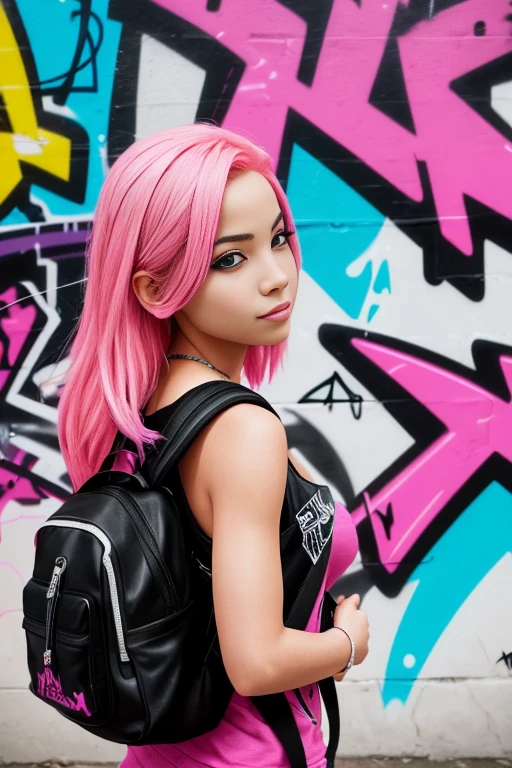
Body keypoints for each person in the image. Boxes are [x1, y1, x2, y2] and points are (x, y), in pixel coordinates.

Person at [57, 123, 369, 768]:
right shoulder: (239, 430)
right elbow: (256, 663)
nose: (277, 276)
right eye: (232, 257)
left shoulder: (133, 407)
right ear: (152, 288)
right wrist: (347, 642)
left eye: (278, 240)